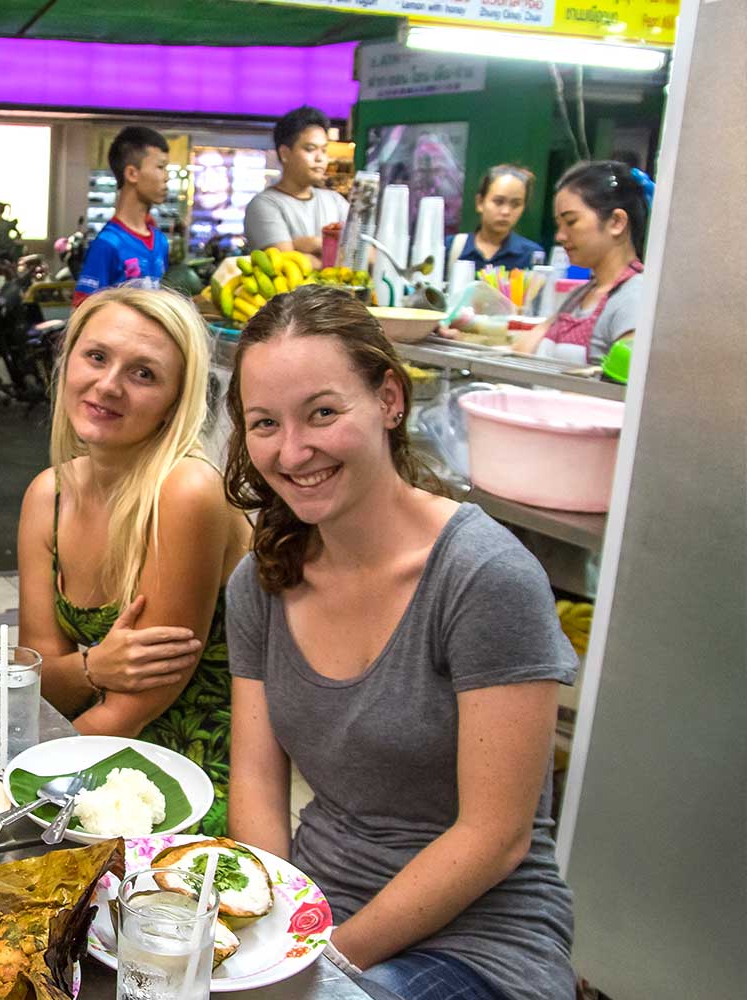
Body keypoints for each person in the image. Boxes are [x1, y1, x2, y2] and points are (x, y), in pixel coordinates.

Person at [223, 284, 577, 1000]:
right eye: (265, 423)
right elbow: (258, 779)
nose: (293, 451)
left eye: (322, 412)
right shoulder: (262, 577)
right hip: (317, 906)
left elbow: (495, 837)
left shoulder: (484, 578)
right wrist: (264, 935)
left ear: (388, 399)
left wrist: (320, 963)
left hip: (479, 943)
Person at [18, 286, 252, 834]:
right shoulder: (46, 495)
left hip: (184, 777)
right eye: (96, 357)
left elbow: (137, 703)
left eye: (143, 374)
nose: (108, 385)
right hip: (87, 745)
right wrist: (91, 667)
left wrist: (18, 784)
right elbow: (37, 679)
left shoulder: (187, 491)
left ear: (175, 401)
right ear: (68, 359)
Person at [509, 160, 648, 365]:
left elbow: (617, 391)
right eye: (559, 224)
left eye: (571, 222)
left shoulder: (636, 299)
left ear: (617, 222)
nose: (560, 236)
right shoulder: (579, 296)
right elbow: (520, 352)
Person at [73, 127, 171, 305]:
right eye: (160, 167)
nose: (166, 177)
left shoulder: (160, 241)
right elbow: (81, 314)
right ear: (132, 173)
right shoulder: (108, 244)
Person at [242, 106, 348, 260]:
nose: (320, 158)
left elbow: (367, 254)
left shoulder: (335, 201)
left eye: (324, 150)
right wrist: (335, 252)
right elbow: (286, 265)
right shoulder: (264, 205)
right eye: (310, 149)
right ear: (285, 153)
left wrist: (313, 244)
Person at [444, 165, 544, 272]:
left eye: (515, 204)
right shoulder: (452, 247)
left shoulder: (531, 255)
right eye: (498, 202)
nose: (506, 212)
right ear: (480, 202)